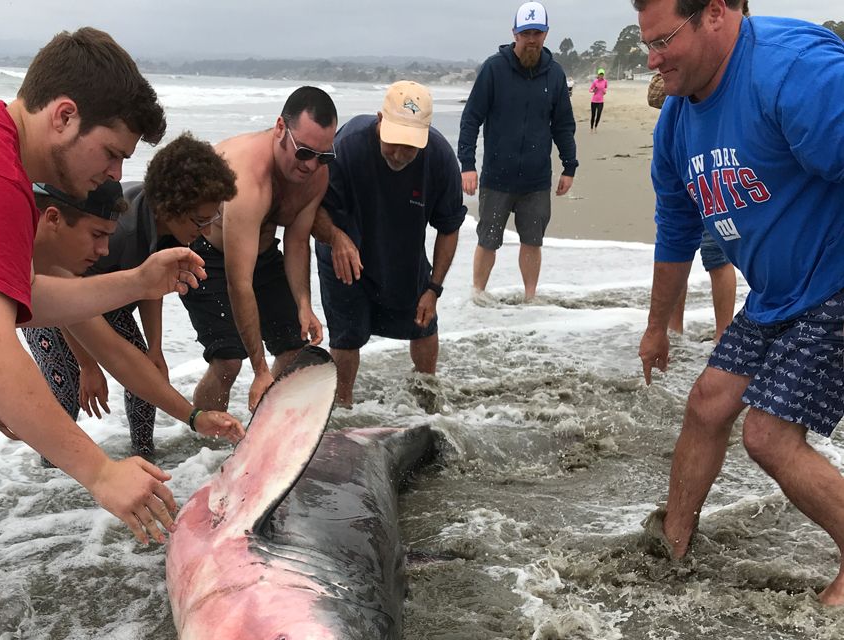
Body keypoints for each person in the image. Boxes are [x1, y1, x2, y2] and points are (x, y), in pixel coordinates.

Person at [0, 27, 210, 622]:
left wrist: (138, 282)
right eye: (110, 152)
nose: (114, 177)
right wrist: (100, 473)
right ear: (63, 117)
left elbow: (20, 294)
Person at [633, 0, 844, 605]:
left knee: (768, 436)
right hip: (779, 293)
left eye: (663, 40)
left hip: (834, 279)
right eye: (647, 42)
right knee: (707, 402)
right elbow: (675, 231)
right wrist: (656, 329)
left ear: (716, 14)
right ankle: (670, 549)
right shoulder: (675, 122)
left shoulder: (792, 71)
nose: (651, 59)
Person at [26, 134, 239, 454]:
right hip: (58, 294)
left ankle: (144, 451)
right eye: (200, 221)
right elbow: (68, 299)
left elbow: (149, 288)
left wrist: (156, 350)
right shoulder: (115, 233)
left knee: (144, 369)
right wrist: (87, 365)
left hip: (102, 289)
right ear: (173, 206)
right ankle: (51, 466)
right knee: (65, 390)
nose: (207, 231)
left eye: (212, 220)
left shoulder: (173, 228)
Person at [181, 87, 337, 413]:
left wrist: (304, 305)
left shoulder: (315, 175)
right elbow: (240, 283)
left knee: (294, 349)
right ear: (280, 128)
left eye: (324, 156)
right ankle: (205, 441)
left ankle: (265, 431)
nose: (312, 166)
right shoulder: (245, 179)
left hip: (264, 255)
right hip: (207, 253)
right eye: (305, 152)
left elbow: (296, 242)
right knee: (229, 361)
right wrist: (260, 370)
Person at [312, 81, 466, 408]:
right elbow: (312, 209)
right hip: (343, 254)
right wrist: (336, 237)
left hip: (402, 256)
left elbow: (449, 227)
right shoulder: (347, 147)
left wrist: (434, 288)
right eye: (393, 142)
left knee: (422, 324)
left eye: (410, 145)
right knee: (346, 335)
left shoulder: (439, 159)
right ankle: (342, 411)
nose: (399, 153)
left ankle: (428, 406)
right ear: (380, 121)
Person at [458, 2, 578, 304]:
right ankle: (477, 297)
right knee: (488, 241)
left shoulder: (555, 75)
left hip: (536, 181)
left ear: (546, 34)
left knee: (532, 241)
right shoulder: (493, 69)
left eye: (537, 32)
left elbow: (563, 124)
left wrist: (569, 166)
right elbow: (472, 117)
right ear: (515, 33)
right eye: (526, 33)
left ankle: (530, 300)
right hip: (497, 177)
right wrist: (467, 164)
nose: (531, 39)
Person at [646, 71, 737, 341]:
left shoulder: (717, 106)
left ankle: (724, 332)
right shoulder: (672, 122)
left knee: (717, 260)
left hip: (714, 189)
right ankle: (675, 329)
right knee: (677, 258)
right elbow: (655, 93)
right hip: (685, 190)